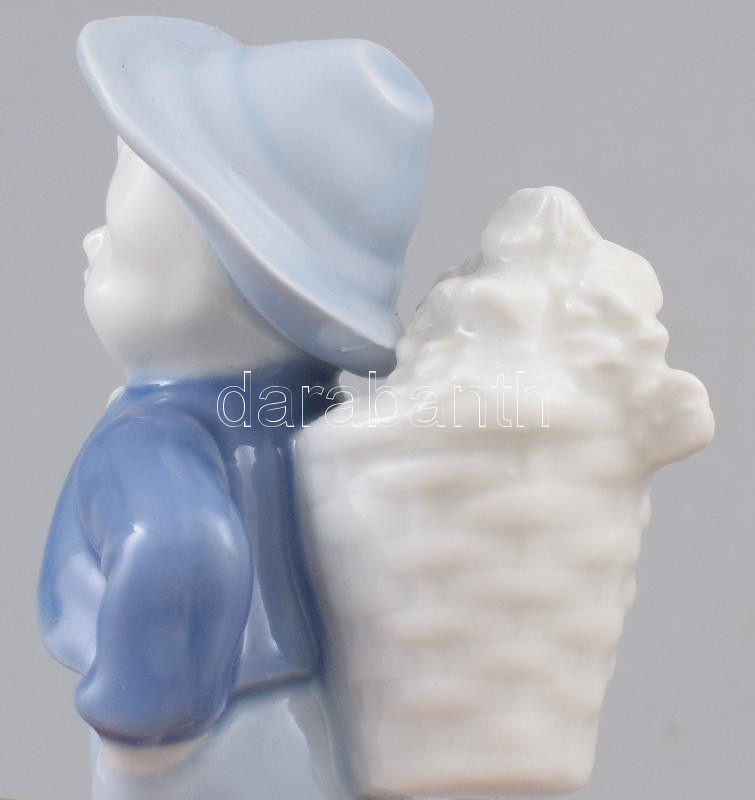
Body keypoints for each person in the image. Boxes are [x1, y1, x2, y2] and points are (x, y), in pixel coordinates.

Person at [38, 17, 432, 800]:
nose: (90, 241)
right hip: (314, 715)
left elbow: (180, 543)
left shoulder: (155, 434)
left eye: (118, 233)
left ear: (219, 279)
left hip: (194, 744)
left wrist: (137, 713)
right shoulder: (314, 414)